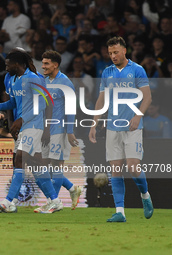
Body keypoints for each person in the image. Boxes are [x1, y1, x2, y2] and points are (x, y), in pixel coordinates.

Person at [0, 50, 63, 214]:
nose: (6, 68)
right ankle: (55, 201)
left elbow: (42, 105)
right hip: (24, 126)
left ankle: (9, 201)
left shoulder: (34, 79)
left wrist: (22, 119)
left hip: (34, 125)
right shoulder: (13, 79)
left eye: (8, 65)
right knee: (36, 166)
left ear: (17, 64)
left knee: (19, 159)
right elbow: (13, 103)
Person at [89, 36, 153, 222]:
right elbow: (101, 100)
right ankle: (120, 212)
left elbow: (147, 97)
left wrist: (138, 116)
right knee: (115, 170)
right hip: (112, 127)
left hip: (133, 127)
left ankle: (145, 196)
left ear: (125, 50)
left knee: (133, 167)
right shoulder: (106, 72)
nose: (113, 56)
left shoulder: (137, 70)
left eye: (116, 52)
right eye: (110, 53)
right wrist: (94, 123)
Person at [35, 50, 82, 212]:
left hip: (60, 130)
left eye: (46, 63)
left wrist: (70, 131)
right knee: (44, 166)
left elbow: (71, 109)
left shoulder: (65, 82)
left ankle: (53, 204)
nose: (43, 66)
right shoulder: (44, 81)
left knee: (56, 166)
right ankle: (71, 189)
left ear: (55, 65)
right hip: (45, 130)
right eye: (43, 63)